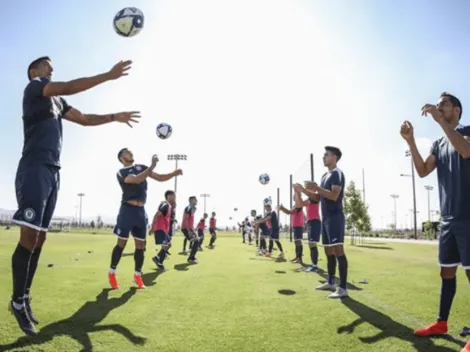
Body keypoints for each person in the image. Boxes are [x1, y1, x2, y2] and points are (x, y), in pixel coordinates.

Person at [9, 56, 140, 336]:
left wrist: (114, 117)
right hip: (34, 167)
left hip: (53, 171)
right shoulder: (34, 88)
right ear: (34, 71)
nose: (51, 67)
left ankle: (25, 295)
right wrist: (108, 75)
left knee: (41, 237)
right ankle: (17, 301)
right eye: (46, 64)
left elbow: (85, 119)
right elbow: (68, 86)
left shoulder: (57, 103)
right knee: (29, 236)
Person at [402, 93, 470, 352]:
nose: (439, 106)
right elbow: (422, 171)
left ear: (456, 109)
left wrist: (441, 120)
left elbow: (465, 151)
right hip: (448, 220)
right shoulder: (439, 144)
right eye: (438, 104)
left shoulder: (467, 131)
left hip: (468, 217)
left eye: (444, 103)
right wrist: (410, 142)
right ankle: (441, 323)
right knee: (446, 272)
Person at [109, 150, 182, 290]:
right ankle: (112, 273)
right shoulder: (121, 172)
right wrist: (152, 167)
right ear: (122, 158)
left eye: (130, 152)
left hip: (140, 212)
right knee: (122, 243)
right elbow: (135, 179)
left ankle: (137, 275)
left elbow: (160, 177)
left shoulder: (142, 167)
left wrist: (173, 173)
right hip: (127, 210)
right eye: (127, 152)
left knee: (140, 246)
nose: (131, 153)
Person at [295, 146, 347, 299]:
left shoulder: (337, 174)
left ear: (335, 157)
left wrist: (316, 187)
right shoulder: (325, 175)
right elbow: (318, 197)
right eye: (324, 155)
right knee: (328, 250)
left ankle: (343, 288)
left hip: (335, 217)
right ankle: (331, 282)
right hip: (325, 219)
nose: (323, 157)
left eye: (326, 155)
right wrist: (303, 190)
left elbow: (334, 196)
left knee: (338, 250)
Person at [150, 190, 176, 271]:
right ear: (168, 196)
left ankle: (158, 259)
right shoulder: (165, 204)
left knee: (168, 245)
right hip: (160, 229)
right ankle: (159, 262)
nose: (175, 197)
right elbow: (156, 215)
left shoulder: (169, 206)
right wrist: (152, 227)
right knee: (165, 246)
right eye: (173, 195)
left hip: (164, 230)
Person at [279, 189, 305, 263]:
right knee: (296, 241)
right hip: (295, 225)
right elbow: (289, 212)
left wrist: (282, 208)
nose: (294, 197)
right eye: (294, 196)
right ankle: (297, 257)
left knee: (298, 241)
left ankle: (299, 258)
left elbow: (289, 212)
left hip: (298, 225)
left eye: (295, 196)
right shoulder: (295, 205)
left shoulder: (299, 205)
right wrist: (282, 209)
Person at [181, 196, 200, 263]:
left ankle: (192, 257)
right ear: (191, 200)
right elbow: (186, 219)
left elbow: (190, 220)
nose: (197, 201)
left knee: (197, 240)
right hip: (186, 228)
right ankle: (191, 258)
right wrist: (188, 230)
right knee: (196, 241)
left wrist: (193, 229)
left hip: (190, 228)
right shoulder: (189, 208)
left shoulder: (192, 208)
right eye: (195, 200)